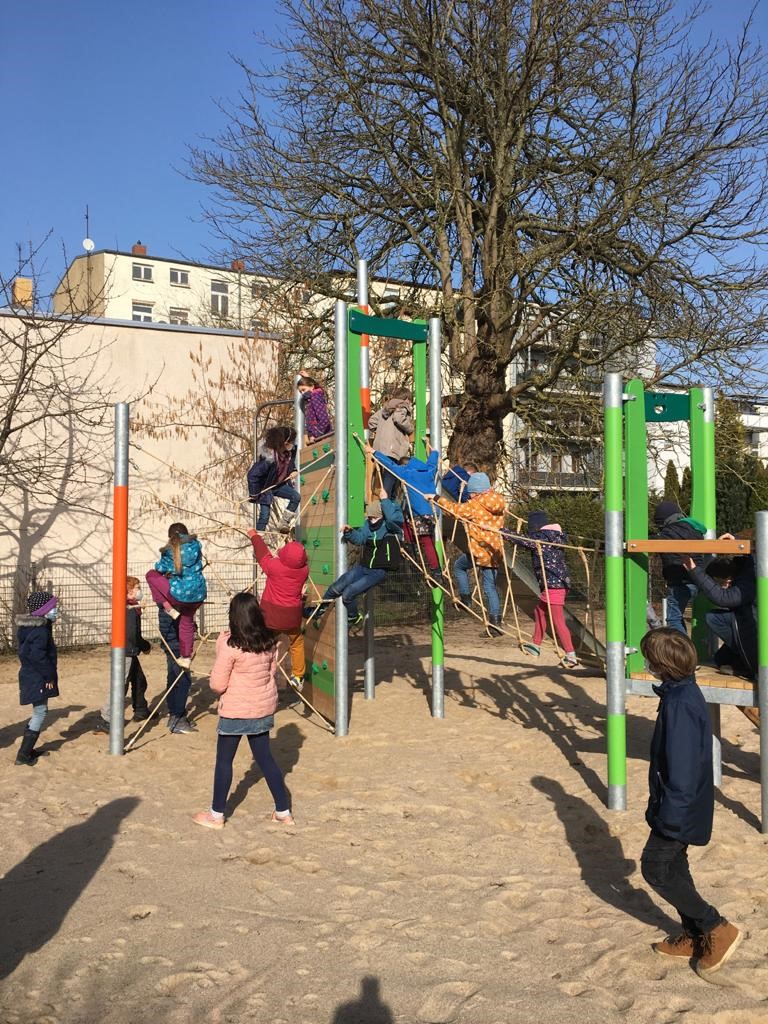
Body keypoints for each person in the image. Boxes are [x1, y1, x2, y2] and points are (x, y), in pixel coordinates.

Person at [639, 627, 742, 977]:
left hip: (679, 806)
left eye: (649, 660)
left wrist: (670, 814)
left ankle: (715, 927)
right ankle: (695, 934)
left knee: (654, 867)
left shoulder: (680, 703)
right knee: (675, 866)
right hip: (676, 802)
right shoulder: (679, 691)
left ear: (661, 665)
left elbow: (682, 767)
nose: (647, 665)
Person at [193, 593, 293, 829]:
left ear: (233, 617)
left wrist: (220, 646)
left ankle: (216, 814)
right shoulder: (268, 643)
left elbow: (217, 684)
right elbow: (271, 674)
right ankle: (283, 811)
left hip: (236, 711)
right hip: (262, 709)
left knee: (224, 761)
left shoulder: (231, 646)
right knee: (266, 759)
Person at [308, 488, 404, 629]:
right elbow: (359, 539)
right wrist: (350, 532)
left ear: (382, 516)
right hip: (364, 567)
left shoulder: (390, 527)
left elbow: (392, 518)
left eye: (374, 518)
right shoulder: (367, 525)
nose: (371, 521)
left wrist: (384, 500)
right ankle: (319, 610)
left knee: (348, 593)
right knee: (337, 586)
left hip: (378, 571)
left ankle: (353, 616)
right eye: (369, 518)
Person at [502, 510, 578, 668]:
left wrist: (503, 532)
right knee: (539, 611)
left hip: (553, 585)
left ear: (536, 527)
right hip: (558, 584)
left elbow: (523, 540)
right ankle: (536, 645)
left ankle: (571, 655)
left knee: (557, 620)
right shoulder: (554, 536)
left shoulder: (542, 538)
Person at [434, 473, 505, 638]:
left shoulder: (475, 505)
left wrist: (436, 498)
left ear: (477, 492)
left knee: (459, 567)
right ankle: (496, 623)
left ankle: (466, 599)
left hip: (479, 551)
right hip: (495, 551)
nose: (470, 495)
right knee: (490, 587)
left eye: (471, 492)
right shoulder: (498, 501)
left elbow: (453, 510)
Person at [369, 443, 442, 583]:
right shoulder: (428, 471)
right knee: (406, 521)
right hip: (433, 511)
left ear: (404, 466)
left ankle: (436, 571)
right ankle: (410, 545)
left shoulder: (406, 473)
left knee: (426, 541)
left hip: (420, 513)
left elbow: (390, 465)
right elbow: (433, 463)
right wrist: (434, 453)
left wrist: (374, 452)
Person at [247, 528, 309, 690]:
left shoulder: (274, 567)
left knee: (263, 643)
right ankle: (298, 676)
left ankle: (258, 672)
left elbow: (262, 553)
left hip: (270, 616)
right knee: (297, 642)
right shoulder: (304, 571)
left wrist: (254, 536)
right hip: (291, 617)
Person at [683, 548, 756, 679]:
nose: (722, 587)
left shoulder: (749, 577)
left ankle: (747, 662)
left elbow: (724, 598)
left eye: (720, 583)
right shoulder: (747, 568)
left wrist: (694, 570)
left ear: (728, 580)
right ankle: (741, 658)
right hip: (747, 617)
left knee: (714, 619)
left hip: (753, 624)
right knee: (720, 659)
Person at [145, 522, 207, 668]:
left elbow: (159, 568)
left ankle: (168, 607)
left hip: (179, 596)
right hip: (198, 595)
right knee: (187, 623)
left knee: (151, 575)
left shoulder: (169, 550)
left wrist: (168, 572)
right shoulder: (196, 545)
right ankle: (186, 657)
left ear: (170, 537)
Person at [95, 576, 152, 732]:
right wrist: (145, 646)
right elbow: (133, 634)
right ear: (129, 591)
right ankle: (106, 718)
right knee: (120, 685)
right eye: (137, 588)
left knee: (139, 680)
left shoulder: (131, 607)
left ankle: (141, 709)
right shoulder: (129, 609)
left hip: (130, 651)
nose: (140, 591)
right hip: (126, 652)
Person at [15, 591, 59, 767]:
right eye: (53, 607)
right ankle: (24, 754)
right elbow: (38, 656)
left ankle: (27, 750)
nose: (55, 610)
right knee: (40, 712)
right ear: (43, 610)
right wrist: (48, 676)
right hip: (37, 677)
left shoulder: (31, 627)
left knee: (39, 711)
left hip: (31, 675)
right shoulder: (40, 631)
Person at [652, 500, 706, 634]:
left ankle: (682, 645)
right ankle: (685, 641)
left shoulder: (668, 532)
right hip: (699, 579)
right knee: (678, 616)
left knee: (673, 619)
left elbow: (654, 542)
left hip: (679, 582)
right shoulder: (694, 529)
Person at [247, 425, 300, 533]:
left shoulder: (289, 453)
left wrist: (293, 470)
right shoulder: (269, 458)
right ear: (285, 442)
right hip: (265, 488)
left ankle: (283, 523)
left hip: (278, 485)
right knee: (265, 515)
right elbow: (252, 475)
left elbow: (290, 463)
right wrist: (254, 494)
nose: (293, 444)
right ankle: (258, 537)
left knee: (296, 497)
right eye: (291, 441)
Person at [367, 389, 414, 496]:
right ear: (407, 399)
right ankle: (386, 497)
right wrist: (410, 428)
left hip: (378, 448)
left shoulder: (386, 408)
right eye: (411, 401)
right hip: (392, 448)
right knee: (393, 472)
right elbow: (398, 419)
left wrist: (381, 431)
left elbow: (371, 422)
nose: (411, 404)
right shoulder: (403, 406)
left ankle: (383, 495)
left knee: (385, 472)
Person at [297, 372, 332, 442]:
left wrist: (315, 435)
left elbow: (324, 419)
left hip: (323, 437)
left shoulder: (315, 396)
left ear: (312, 386)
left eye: (303, 390)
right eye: (300, 392)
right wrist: (308, 378)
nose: (302, 393)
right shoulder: (311, 398)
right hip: (318, 436)